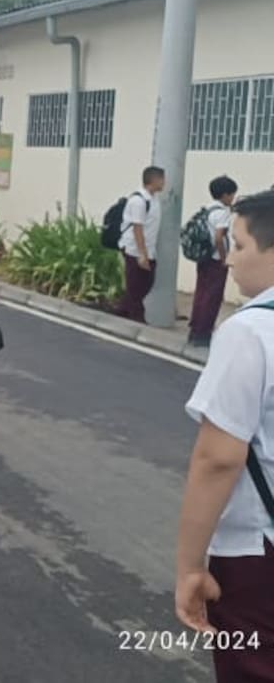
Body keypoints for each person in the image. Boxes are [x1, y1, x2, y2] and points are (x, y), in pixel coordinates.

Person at [176, 190, 274, 681]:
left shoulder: (250, 331)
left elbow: (218, 458)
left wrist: (190, 567)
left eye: (238, 245)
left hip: (259, 550)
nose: (229, 260)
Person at [188, 176, 238, 348]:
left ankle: (195, 329)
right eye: (232, 194)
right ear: (225, 195)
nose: (233, 198)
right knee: (212, 297)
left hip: (204, 257)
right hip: (216, 260)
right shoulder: (222, 212)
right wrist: (224, 258)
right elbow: (219, 238)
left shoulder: (207, 209)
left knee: (201, 293)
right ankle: (204, 332)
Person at [115, 166, 166, 324]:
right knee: (137, 285)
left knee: (146, 283)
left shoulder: (153, 199)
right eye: (162, 179)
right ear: (154, 180)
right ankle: (137, 318)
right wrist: (142, 254)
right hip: (134, 249)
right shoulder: (138, 201)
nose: (164, 183)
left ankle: (122, 310)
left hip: (149, 249)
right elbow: (138, 229)